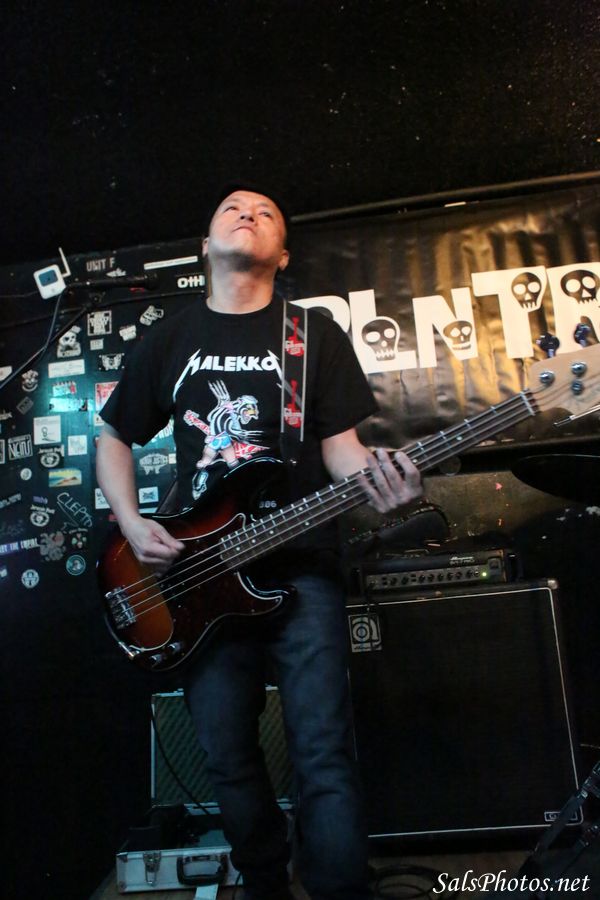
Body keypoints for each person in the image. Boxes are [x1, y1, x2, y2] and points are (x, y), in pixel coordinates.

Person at [96, 184, 422, 900]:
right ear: (205, 246)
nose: (248, 213)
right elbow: (114, 436)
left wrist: (383, 484)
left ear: (283, 254)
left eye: (266, 212)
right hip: (201, 575)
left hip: (302, 567)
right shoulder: (172, 337)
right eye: (232, 208)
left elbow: (342, 450)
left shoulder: (311, 335)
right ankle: (265, 883)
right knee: (226, 754)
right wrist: (130, 521)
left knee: (323, 751)